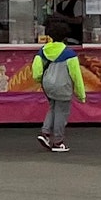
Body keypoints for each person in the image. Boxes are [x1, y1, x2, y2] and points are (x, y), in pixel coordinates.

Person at [32, 21, 86, 153]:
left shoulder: (43, 51)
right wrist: (81, 94)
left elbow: (36, 70)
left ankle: (45, 133)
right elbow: (76, 76)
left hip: (48, 86)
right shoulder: (70, 54)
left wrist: (41, 80)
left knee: (52, 108)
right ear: (65, 37)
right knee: (61, 112)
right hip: (63, 87)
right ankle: (58, 142)